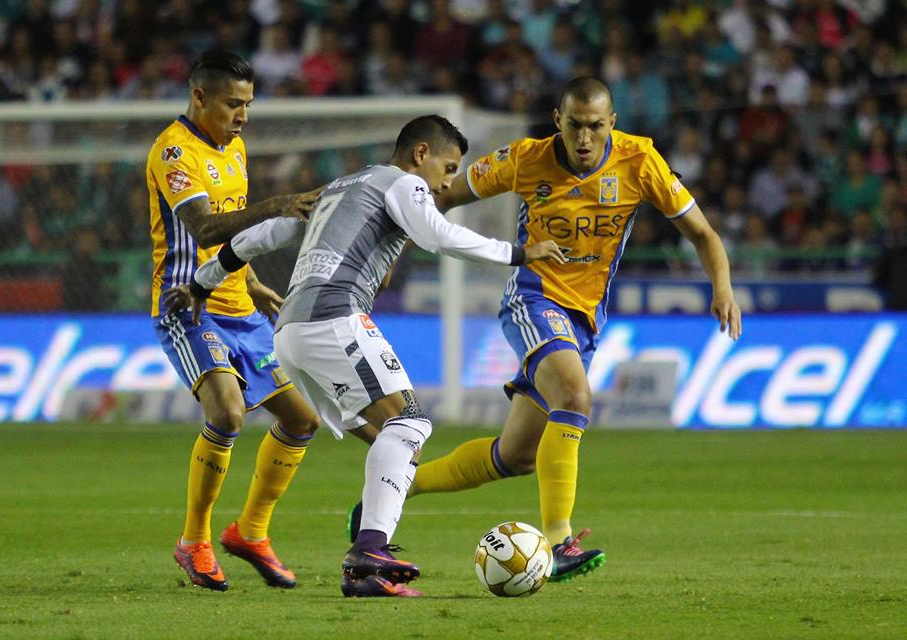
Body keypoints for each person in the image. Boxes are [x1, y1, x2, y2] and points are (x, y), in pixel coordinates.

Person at [349, 77, 743, 583]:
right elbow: (440, 197)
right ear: (558, 120)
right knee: (575, 397)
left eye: (595, 127)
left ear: (612, 124)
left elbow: (704, 235)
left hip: (585, 319)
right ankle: (559, 542)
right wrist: (391, 253)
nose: (584, 138)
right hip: (533, 300)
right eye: (574, 125)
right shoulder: (524, 158)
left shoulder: (640, 162)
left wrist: (723, 286)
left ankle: (395, 489)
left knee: (515, 457)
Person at [179, 115, 565, 597]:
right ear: (420, 154)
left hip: (293, 332)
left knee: (396, 438)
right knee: (411, 424)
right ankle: (368, 547)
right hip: (333, 318)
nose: (448, 181)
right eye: (447, 167)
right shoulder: (403, 183)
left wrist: (201, 282)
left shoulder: (341, 186)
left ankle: (365, 574)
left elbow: (259, 237)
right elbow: (438, 236)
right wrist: (519, 254)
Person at [148, 50, 323, 592]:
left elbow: (228, 238)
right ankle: (194, 540)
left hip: (239, 308)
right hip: (188, 305)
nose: (243, 115)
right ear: (199, 97)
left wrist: (247, 280)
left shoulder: (235, 147)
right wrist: (279, 205)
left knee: (301, 420)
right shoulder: (174, 151)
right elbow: (203, 229)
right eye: (232, 104)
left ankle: (250, 532)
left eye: (247, 104)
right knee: (226, 412)